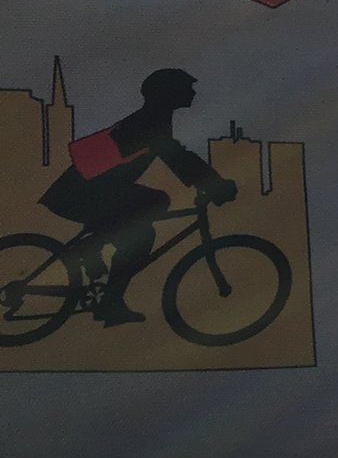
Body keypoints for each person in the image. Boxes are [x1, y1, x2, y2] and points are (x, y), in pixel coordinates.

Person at [40, 68, 237, 327]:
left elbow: (177, 156)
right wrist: (216, 186)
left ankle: (100, 277)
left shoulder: (152, 118)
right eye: (186, 87)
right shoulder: (150, 122)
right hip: (80, 196)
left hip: (84, 194)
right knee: (152, 211)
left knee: (144, 221)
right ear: (168, 93)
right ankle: (96, 268)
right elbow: (176, 156)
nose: (193, 92)